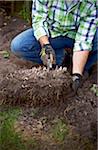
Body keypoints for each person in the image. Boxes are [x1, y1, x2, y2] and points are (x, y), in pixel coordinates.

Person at [11, 0, 97, 93]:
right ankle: (62, 58)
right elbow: (39, 21)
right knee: (19, 45)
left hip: (74, 35)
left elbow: (83, 41)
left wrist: (77, 74)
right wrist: (46, 46)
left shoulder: (91, 3)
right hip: (52, 33)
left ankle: (83, 67)